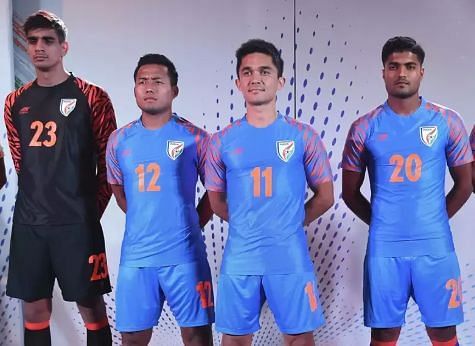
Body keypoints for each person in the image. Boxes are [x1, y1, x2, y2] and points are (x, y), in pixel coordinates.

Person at [342, 36, 473, 346]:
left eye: (410, 66)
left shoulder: (446, 121)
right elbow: (349, 193)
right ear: (384, 72)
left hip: (435, 247)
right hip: (385, 250)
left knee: (443, 332)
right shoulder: (364, 126)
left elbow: (465, 184)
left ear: (421, 72)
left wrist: (434, 220)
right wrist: (383, 224)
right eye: (394, 66)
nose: (402, 73)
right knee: (385, 333)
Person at [205, 39, 334, 346]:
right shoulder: (221, 141)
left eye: (264, 71)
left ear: (280, 81)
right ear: (238, 82)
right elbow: (216, 201)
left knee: (299, 338)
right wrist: (250, 224)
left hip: (288, 255)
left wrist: (286, 223)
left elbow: (326, 196)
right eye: (247, 72)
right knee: (235, 339)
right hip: (241, 257)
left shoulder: (303, 135)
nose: (256, 78)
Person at [3, 10, 116, 346]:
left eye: (48, 41)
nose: (40, 47)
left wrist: (87, 213)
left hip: (76, 224)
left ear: (64, 47)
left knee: (92, 309)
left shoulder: (92, 96)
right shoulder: (14, 101)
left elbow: (109, 166)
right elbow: (22, 163)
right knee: (34, 312)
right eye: (33, 40)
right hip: (30, 223)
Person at [106, 54, 214, 346]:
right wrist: (145, 218)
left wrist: (189, 223)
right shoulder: (118, 140)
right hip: (137, 258)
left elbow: (215, 194)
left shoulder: (197, 138)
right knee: (132, 339)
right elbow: (119, 190)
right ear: (134, 89)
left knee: (197, 337)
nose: (149, 87)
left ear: (174, 90)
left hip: (185, 257)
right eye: (142, 81)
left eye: (157, 81)